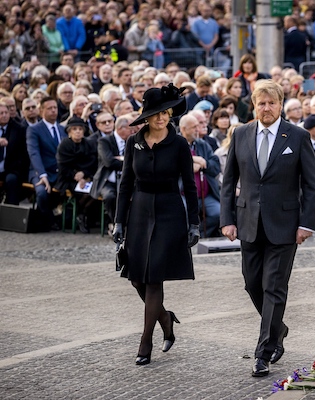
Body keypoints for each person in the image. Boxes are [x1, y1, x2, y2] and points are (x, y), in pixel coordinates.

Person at [220, 79, 315, 377]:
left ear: (280, 105)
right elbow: (228, 183)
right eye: (261, 103)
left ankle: (264, 352)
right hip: (248, 223)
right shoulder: (240, 134)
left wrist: (306, 224)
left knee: (273, 286)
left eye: (271, 103)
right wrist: (227, 219)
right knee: (252, 283)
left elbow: (311, 185)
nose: (266, 108)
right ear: (254, 105)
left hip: (285, 227)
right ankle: (278, 327)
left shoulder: (298, 136)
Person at [112, 84, 200, 366]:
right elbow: (125, 184)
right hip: (138, 212)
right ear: (146, 116)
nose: (162, 118)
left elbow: (190, 186)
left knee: (153, 279)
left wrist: (194, 223)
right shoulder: (133, 142)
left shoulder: (179, 144)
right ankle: (165, 318)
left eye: (166, 112)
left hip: (169, 213)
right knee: (136, 277)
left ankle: (145, 340)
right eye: (156, 113)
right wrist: (118, 221)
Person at [26, 97, 67, 231]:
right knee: (42, 192)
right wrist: (42, 174)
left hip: (60, 173)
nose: (53, 111)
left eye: (55, 107)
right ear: (41, 110)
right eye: (49, 108)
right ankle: (47, 220)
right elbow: (34, 153)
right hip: (41, 171)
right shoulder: (34, 130)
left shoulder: (62, 129)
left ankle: (63, 218)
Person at [91, 114, 134, 235]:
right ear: (121, 128)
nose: (133, 132)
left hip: (126, 179)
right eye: (131, 129)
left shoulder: (131, 141)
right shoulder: (104, 141)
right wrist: (127, 162)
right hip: (107, 180)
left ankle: (128, 224)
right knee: (110, 196)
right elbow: (109, 162)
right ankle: (114, 223)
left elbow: (137, 161)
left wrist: (121, 159)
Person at [179, 114, 221, 238]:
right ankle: (184, 238)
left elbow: (215, 166)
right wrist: (190, 163)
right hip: (182, 193)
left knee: (217, 213)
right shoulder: (176, 144)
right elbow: (171, 165)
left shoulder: (202, 144)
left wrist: (204, 163)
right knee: (183, 212)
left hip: (205, 194)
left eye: (198, 126)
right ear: (183, 129)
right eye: (193, 127)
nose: (197, 129)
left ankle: (199, 235)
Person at [56, 117, 98, 233]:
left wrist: (85, 174)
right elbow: (62, 166)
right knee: (83, 192)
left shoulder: (89, 144)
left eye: (80, 129)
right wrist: (76, 175)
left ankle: (81, 213)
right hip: (68, 178)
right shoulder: (64, 145)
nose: (78, 131)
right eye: (74, 129)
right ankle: (81, 215)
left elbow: (93, 163)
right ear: (69, 132)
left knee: (96, 191)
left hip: (87, 177)